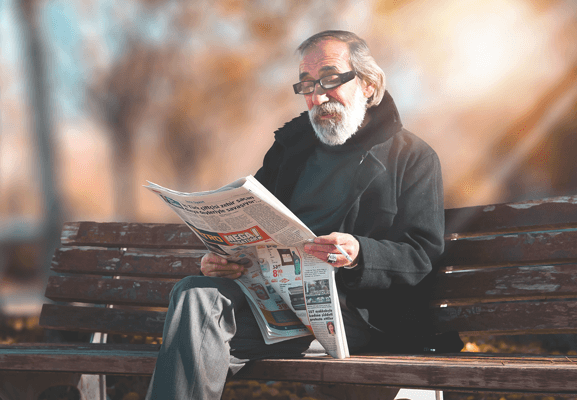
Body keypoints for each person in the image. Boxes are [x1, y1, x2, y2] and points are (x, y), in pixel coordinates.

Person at [146, 30, 462, 400]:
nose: (318, 95)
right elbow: (253, 220)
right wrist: (224, 258)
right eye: (307, 84)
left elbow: (421, 255)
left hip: (359, 319)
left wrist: (359, 252)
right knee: (195, 294)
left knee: (199, 342)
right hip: (278, 310)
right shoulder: (289, 152)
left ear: (369, 84)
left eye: (331, 79)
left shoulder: (413, 157)